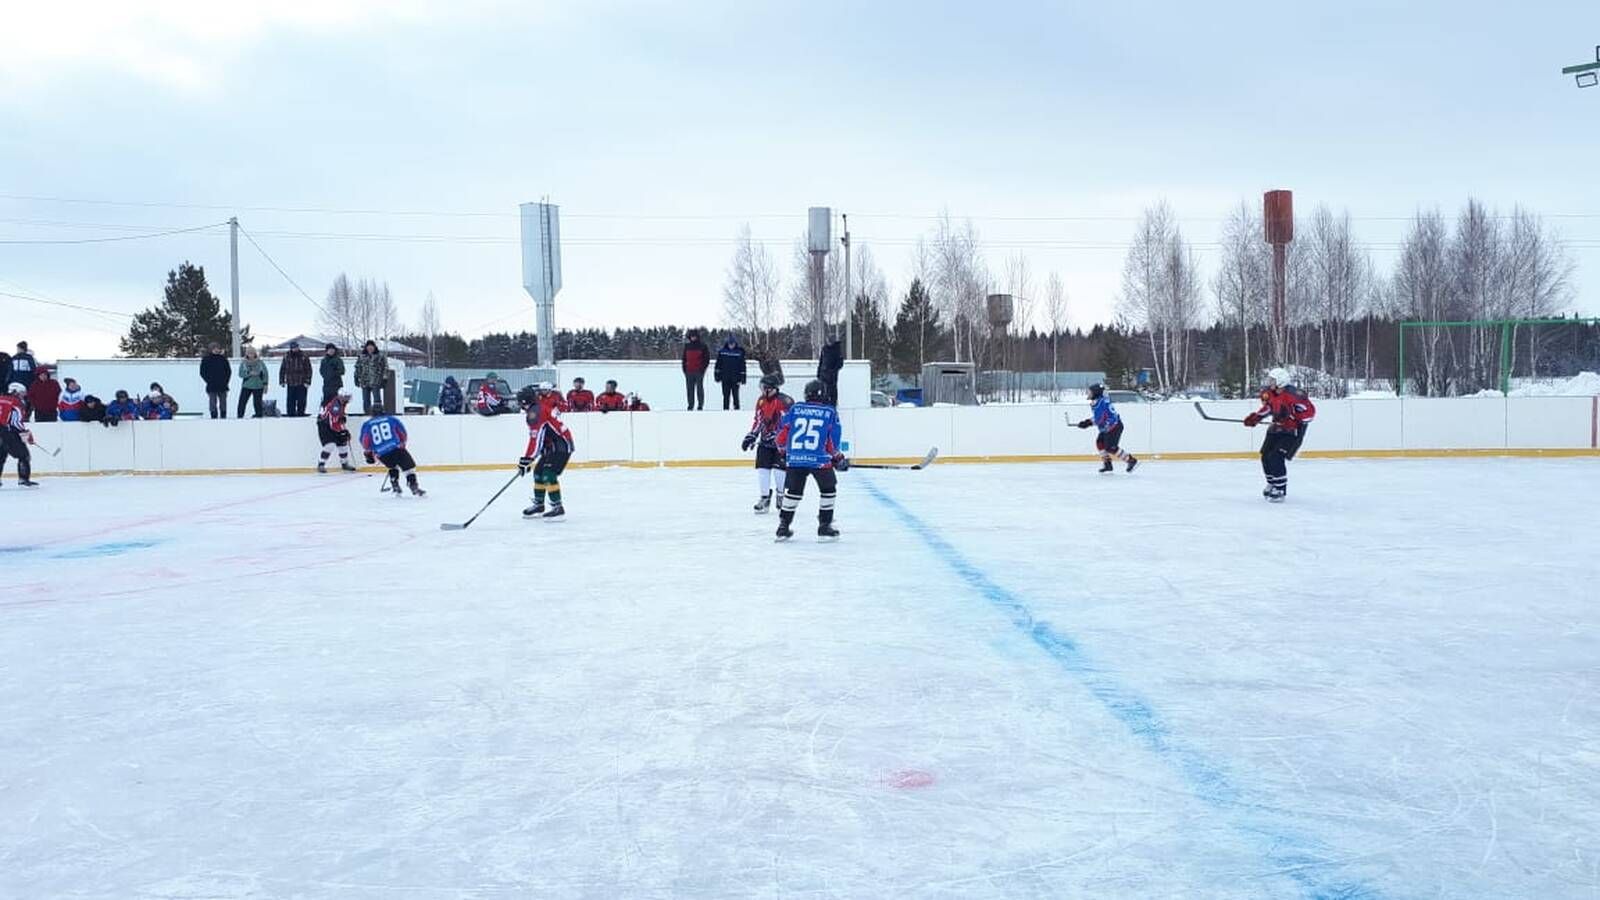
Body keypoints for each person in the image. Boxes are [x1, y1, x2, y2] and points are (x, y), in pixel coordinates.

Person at [773, 379, 847, 541]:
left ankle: (783, 526)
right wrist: (837, 457)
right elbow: (832, 440)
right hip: (819, 460)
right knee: (828, 490)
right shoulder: (829, 412)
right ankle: (824, 526)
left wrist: (784, 452)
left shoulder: (795, 408)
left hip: (796, 459)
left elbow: (781, 435)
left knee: (793, 493)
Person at [1245, 367, 1316, 503]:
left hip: (1290, 432)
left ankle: (1280, 489)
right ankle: (1272, 483)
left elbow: (1310, 414)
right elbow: (1269, 408)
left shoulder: (1294, 395)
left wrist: (1291, 416)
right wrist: (1256, 417)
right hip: (1275, 429)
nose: (1269, 382)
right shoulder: (1270, 393)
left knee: (1276, 457)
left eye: (1272, 380)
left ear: (1281, 381)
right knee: (1265, 456)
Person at [516, 383, 574, 519]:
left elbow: (535, 439)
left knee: (548, 474)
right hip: (551, 445)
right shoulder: (536, 409)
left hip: (561, 445)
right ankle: (539, 504)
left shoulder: (535, 413)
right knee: (538, 472)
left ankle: (557, 507)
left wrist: (527, 459)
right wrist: (528, 459)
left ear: (525, 401)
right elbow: (539, 438)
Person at [741, 373, 791, 513]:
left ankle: (781, 496)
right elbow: (758, 420)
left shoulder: (785, 401)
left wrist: (779, 437)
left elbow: (788, 424)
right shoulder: (761, 401)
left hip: (781, 445)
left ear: (771, 388)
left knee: (779, 470)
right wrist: (752, 435)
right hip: (765, 442)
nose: (762, 390)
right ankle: (764, 498)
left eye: (764, 387)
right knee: (763, 469)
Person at [360, 406, 425, 497]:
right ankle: (413, 485)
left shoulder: (367, 424)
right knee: (409, 467)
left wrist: (369, 452)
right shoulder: (391, 419)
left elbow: (365, 441)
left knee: (392, 466)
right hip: (395, 448)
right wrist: (403, 442)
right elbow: (402, 432)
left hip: (381, 453)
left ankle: (395, 484)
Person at [1074, 383, 1138, 474]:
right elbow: (1099, 417)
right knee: (1100, 442)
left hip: (1114, 427)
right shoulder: (1099, 401)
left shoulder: (1100, 403)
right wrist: (1087, 422)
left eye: (1090, 392)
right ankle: (1107, 464)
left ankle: (1131, 460)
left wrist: (1087, 423)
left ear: (1096, 393)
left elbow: (1099, 419)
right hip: (1107, 428)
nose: (1088, 394)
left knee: (1110, 447)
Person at [0, 383, 38, 487]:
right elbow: (15, 422)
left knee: (1, 456)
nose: (23, 395)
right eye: (21, 393)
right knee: (24, 455)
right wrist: (25, 433)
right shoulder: (15, 402)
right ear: (15, 392)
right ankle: (23, 479)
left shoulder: (1, 398)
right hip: (7, 432)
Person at [315, 389, 357, 473]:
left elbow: (337, 420)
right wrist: (342, 431)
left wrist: (342, 421)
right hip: (325, 426)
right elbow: (332, 423)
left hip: (333, 425)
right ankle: (321, 464)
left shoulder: (341, 403)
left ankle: (344, 463)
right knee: (329, 445)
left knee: (343, 444)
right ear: (341, 397)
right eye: (346, 397)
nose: (348, 399)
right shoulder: (335, 406)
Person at [279, 340, 313, 417]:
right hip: (290, 382)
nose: (295, 349)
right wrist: (281, 381)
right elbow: (282, 369)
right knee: (290, 400)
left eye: (296, 347)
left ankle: (301, 413)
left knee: (302, 400)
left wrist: (308, 381)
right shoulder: (286, 356)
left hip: (302, 382)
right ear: (291, 348)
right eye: (293, 348)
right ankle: (291, 414)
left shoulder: (304, 356)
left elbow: (309, 369)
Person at [354, 340, 388, 415]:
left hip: (376, 381)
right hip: (364, 381)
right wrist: (356, 377)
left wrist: (385, 378)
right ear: (366, 347)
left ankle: (378, 414)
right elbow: (358, 367)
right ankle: (367, 414)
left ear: (374, 347)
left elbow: (385, 367)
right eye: (368, 346)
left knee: (377, 400)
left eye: (371, 346)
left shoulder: (380, 356)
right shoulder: (361, 356)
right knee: (366, 400)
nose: (370, 348)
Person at [714, 335, 748, 410]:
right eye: (730, 344)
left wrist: (743, 378)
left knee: (736, 396)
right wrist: (717, 375)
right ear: (727, 343)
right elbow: (718, 364)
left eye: (733, 344)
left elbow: (742, 366)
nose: (731, 345)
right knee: (726, 396)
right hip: (725, 378)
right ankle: (725, 410)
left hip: (736, 378)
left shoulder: (739, 352)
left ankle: (737, 410)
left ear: (735, 344)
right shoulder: (722, 352)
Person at [681, 330, 711, 410]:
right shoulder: (687, 346)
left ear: (697, 337)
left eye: (694, 336)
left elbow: (706, 359)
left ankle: (700, 405)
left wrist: (702, 369)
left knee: (699, 389)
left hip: (699, 371)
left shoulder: (703, 346)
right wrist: (684, 369)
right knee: (689, 389)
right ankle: (690, 405)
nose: (693, 338)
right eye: (691, 336)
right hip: (689, 371)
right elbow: (684, 359)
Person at [237, 345, 268, 418]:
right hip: (247, 385)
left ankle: (259, 416)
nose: (251, 355)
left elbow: (265, 374)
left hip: (258, 385)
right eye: (249, 353)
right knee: (242, 402)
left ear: (255, 354)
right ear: (246, 354)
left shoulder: (260, 363)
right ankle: (240, 417)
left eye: (252, 353)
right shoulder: (243, 363)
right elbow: (240, 374)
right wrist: (249, 373)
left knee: (257, 403)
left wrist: (265, 384)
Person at [200, 343, 231, 418]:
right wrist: (209, 380)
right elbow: (202, 372)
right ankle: (213, 416)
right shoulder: (206, 359)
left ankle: (223, 416)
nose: (216, 350)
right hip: (211, 385)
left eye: (218, 348)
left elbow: (228, 371)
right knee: (212, 402)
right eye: (214, 348)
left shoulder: (223, 359)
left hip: (223, 385)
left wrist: (226, 381)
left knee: (223, 402)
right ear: (211, 349)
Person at [816, 338, 843, 406]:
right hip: (823, 374)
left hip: (832, 376)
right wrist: (819, 372)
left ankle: (833, 406)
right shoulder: (824, 349)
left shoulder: (837, 349)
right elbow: (821, 361)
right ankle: (823, 405)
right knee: (823, 392)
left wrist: (833, 371)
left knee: (832, 391)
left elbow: (840, 363)